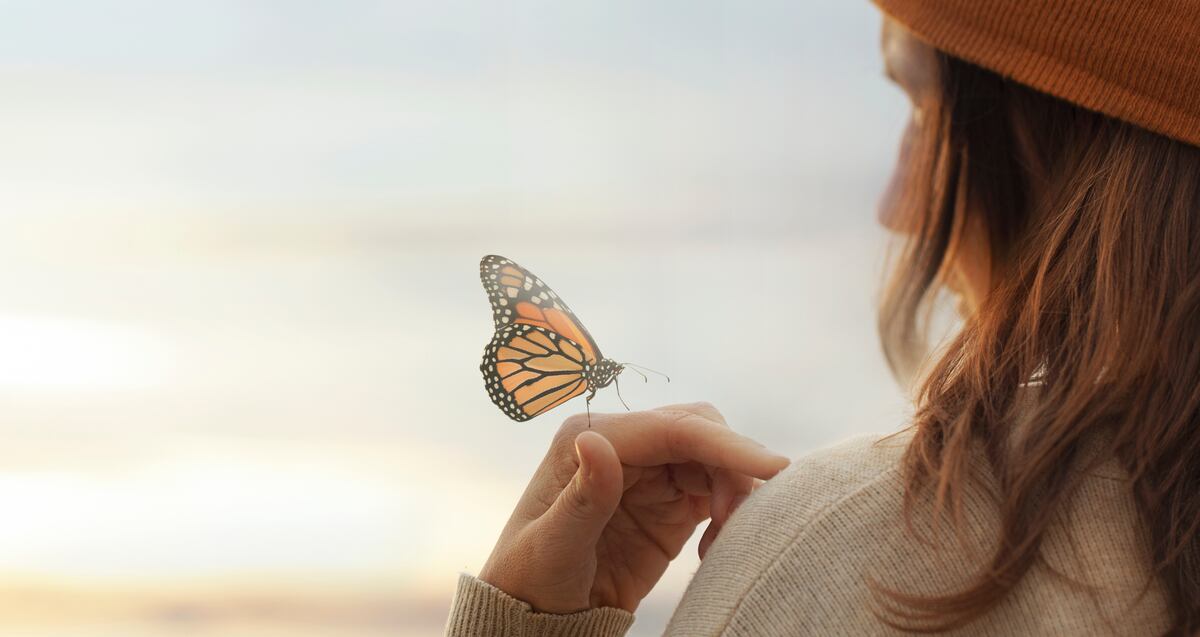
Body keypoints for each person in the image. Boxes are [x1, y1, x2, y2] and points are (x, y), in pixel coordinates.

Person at [446, 0, 1200, 634]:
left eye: (925, 110)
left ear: (1052, 135)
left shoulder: (848, 554)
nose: (896, 207)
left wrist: (520, 624)